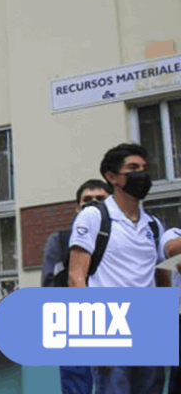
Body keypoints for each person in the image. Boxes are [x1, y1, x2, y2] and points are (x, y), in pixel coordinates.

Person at [69, 143, 168, 394]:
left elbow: (160, 276)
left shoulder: (153, 225)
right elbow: (76, 276)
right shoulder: (94, 217)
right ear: (112, 177)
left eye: (145, 168)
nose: (141, 174)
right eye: (132, 168)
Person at [40, 179, 110, 394]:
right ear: (77, 207)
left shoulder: (119, 238)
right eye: (87, 200)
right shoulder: (60, 241)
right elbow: (49, 286)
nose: (93, 203)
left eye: (100, 199)